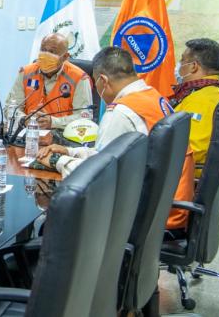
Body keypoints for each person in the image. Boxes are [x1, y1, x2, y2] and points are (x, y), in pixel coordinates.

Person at [37, 46, 194, 231]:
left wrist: (57, 160)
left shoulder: (121, 113)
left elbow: (100, 176)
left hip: (147, 217)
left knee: (49, 223)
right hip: (170, 202)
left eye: (96, 84)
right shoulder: (153, 97)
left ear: (103, 80)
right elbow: (113, 156)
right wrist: (70, 151)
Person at [5, 33, 92, 130]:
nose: (46, 55)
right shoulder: (26, 73)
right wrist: (23, 119)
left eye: (52, 52)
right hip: (29, 132)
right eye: (43, 50)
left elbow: (85, 117)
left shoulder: (79, 78)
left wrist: (53, 122)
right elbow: (10, 107)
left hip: (62, 136)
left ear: (65, 57)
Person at [170, 38, 219, 177]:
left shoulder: (202, 101)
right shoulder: (209, 91)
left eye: (182, 61)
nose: (179, 66)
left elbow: (193, 151)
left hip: (184, 179)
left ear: (193, 67)